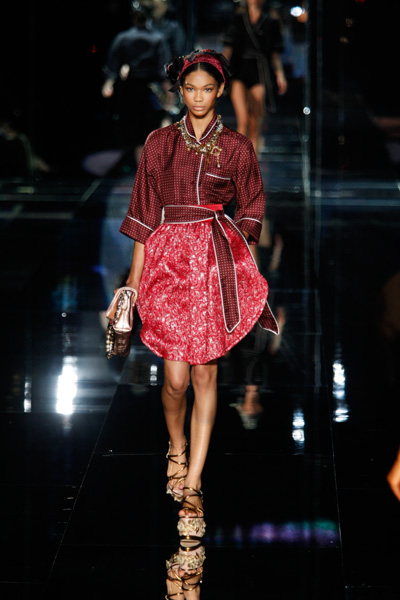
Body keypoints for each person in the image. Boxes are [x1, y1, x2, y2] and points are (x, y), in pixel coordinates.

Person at [119, 49, 279, 523]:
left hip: (212, 263)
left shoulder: (236, 147)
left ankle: (193, 482)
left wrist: (240, 253)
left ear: (220, 90)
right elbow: (144, 215)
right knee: (174, 380)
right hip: (166, 263)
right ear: (180, 90)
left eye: (207, 89)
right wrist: (131, 283)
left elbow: (252, 202)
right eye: (190, 89)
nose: (198, 97)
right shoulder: (159, 143)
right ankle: (177, 445)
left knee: (205, 375)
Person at [101, 1, 167, 167]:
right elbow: (163, 69)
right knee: (148, 130)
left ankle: (144, 169)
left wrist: (109, 82)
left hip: (130, 90)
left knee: (138, 133)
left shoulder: (123, 38)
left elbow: (112, 64)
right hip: (149, 90)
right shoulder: (157, 38)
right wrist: (168, 91)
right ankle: (147, 170)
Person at [222, 0, 287, 153]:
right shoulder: (237, 19)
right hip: (239, 69)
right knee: (243, 120)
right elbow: (228, 49)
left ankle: (252, 161)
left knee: (255, 122)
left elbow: (275, 54)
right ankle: (240, 161)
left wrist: (280, 75)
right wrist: (220, 71)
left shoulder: (271, 22)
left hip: (260, 71)